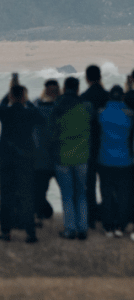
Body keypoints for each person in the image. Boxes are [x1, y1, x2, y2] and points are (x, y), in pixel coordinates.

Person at [0, 77, 42, 243]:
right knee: (27, 194)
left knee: (5, 194)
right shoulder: (30, 112)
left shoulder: (4, 112)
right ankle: (30, 233)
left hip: (5, 156)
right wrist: (27, 102)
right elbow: (40, 117)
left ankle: (6, 232)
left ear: (11, 97)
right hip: (26, 157)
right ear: (23, 97)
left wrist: (8, 96)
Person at [50, 75, 94, 239]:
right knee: (81, 193)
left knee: (67, 194)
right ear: (77, 88)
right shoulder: (87, 106)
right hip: (82, 156)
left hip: (63, 157)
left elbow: (52, 131)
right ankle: (83, 229)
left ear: (64, 87)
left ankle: (70, 229)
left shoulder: (57, 106)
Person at [97, 87, 134, 238]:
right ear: (122, 97)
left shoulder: (101, 113)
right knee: (123, 195)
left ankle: (108, 227)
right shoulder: (130, 114)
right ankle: (120, 226)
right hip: (125, 160)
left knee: (106, 195)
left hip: (105, 160)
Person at [82, 64, 109, 229]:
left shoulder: (84, 97)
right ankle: (106, 215)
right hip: (105, 144)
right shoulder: (107, 96)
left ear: (87, 78)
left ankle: (90, 217)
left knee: (89, 183)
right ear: (100, 77)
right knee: (105, 184)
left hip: (89, 145)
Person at [33, 79, 60, 221]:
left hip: (40, 156)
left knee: (39, 191)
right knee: (69, 192)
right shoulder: (61, 107)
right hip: (59, 156)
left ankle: (40, 215)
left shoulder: (35, 105)